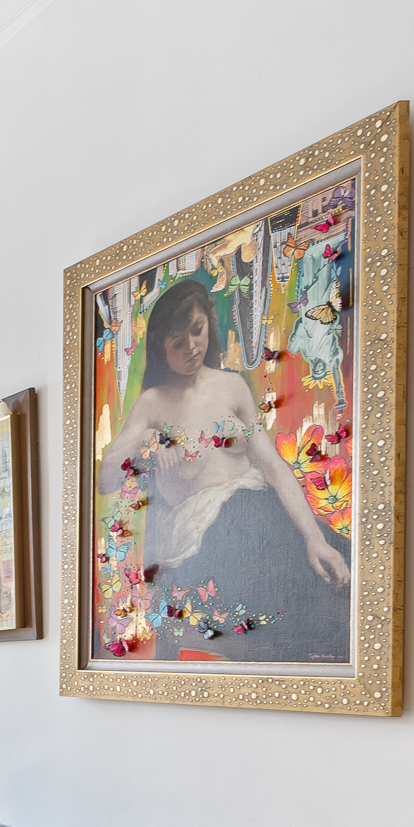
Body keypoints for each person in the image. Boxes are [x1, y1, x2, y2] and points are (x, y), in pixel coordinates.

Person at [94, 276, 350, 662]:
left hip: (256, 512)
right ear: (161, 348)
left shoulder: (231, 387)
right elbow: (105, 480)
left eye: (197, 332)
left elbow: (274, 468)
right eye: (178, 343)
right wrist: (146, 437)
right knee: (267, 543)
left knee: (336, 549)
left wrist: (315, 539)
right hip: (204, 535)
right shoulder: (153, 401)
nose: (193, 347)